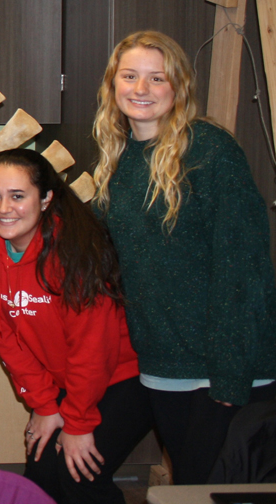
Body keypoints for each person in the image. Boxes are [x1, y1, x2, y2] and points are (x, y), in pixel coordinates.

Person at [92, 31, 276, 483]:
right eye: (130, 76)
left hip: (223, 370)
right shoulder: (118, 160)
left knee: (213, 490)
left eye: (157, 79)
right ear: (113, 85)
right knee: (190, 484)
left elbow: (244, 269)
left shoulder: (210, 150)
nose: (141, 89)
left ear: (178, 88)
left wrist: (231, 374)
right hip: (162, 365)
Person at [0, 148, 147, 504]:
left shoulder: (74, 250)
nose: (4, 208)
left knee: (78, 475)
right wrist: (45, 403)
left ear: (46, 198)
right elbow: (1, 333)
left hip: (121, 376)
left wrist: (78, 423)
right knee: (40, 477)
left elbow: (93, 347)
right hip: (63, 381)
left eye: (18, 196)